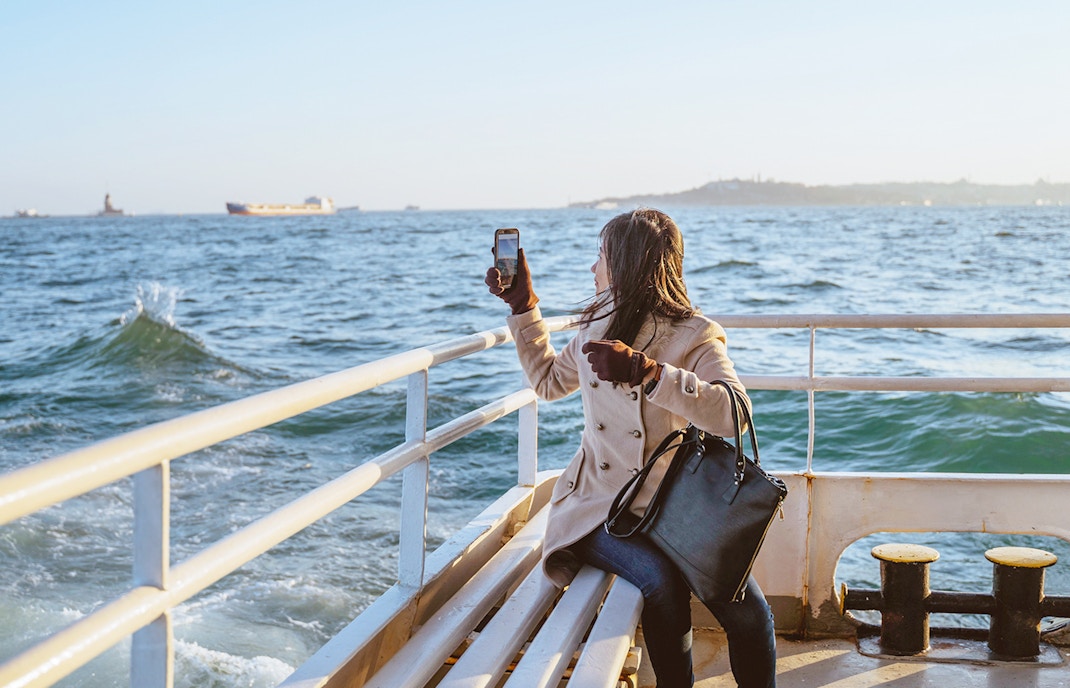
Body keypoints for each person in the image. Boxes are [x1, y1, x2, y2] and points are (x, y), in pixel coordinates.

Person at [485, 208, 776, 688]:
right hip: (598, 507)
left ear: (624, 265)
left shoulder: (695, 335)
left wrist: (651, 374)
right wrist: (523, 306)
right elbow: (548, 382)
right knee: (662, 583)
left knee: (751, 614)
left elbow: (732, 411)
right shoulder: (595, 327)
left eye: (599, 256)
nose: (592, 269)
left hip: (677, 512)